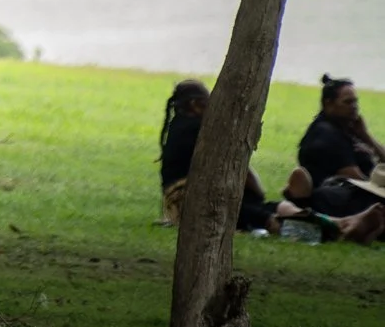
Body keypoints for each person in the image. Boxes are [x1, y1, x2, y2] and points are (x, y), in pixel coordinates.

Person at [158, 80, 305, 233]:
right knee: (257, 211)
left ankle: (294, 217)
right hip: (195, 202)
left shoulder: (178, 127)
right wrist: (258, 193)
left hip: (182, 202)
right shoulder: (201, 129)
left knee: (250, 206)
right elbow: (238, 169)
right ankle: (296, 222)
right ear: (195, 104)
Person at [295, 76, 385, 235]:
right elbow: (356, 178)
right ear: (328, 104)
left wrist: (366, 137)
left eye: (355, 102)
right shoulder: (327, 135)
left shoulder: (345, 129)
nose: (355, 107)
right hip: (339, 200)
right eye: (348, 102)